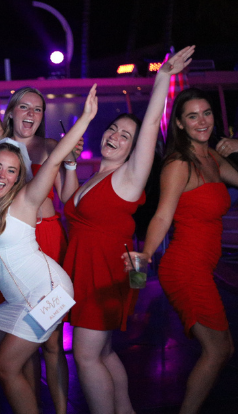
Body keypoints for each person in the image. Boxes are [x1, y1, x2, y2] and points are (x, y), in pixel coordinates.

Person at [62, 47, 195, 414]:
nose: (115, 137)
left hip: (104, 273)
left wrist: (163, 77)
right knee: (102, 352)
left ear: (135, 150)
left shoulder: (129, 178)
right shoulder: (96, 175)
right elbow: (70, 206)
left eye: (125, 136)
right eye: (113, 129)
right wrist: (71, 164)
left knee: (87, 356)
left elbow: (150, 125)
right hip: (88, 273)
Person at [0, 3, 82, 411]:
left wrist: (69, 162)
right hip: (6, 245)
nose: (30, 114)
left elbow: (67, 198)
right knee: (18, 340)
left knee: (49, 342)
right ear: (11, 112)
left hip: (45, 240)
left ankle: (61, 408)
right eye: (23, 107)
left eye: (38, 109)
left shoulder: (51, 148)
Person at [125, 87, 237, 414]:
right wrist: (144, 256)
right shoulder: (178, 164)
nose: (201, 121)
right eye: (192, 116)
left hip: (202, 267)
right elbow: (162, 214)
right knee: (218, 351)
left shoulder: (213, 158)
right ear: (179, 124)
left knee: (222, 350)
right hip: (185, 269)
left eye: (206, 113)